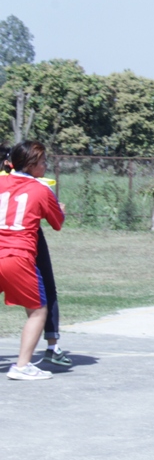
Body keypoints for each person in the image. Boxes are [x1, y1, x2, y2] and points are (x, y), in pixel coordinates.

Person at [0, 141, 65, 381]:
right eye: (43, 162)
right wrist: (60, 209)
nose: (46, 165)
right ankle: (22, 365)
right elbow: (57, 223)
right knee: (38, 311)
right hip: (17, 256)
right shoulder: (40, 190)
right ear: (32, 165)